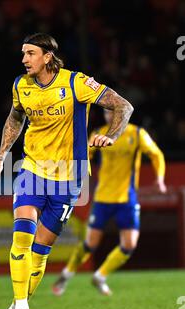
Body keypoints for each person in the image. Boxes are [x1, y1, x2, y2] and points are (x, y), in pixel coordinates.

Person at [0, 33, 134, 309]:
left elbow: (124, 106)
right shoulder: (20, 86)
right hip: (32, 170)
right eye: (23, 53)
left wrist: (112, 136)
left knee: (39, 253)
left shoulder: (75, 83)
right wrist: (0, 158)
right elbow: (15, 119)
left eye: (30, 53)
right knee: (21, 238)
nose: (24, 59)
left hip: (69, 176)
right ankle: (22, 308)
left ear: (47, 57)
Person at [52, 109, 166, 297]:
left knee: (129, 245)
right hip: (103, 197)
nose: (109, 116)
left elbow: (156, 155)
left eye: (112, 112)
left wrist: (159, 178)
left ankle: (100, 276)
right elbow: (84, 156)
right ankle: (66, 274)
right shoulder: (99, 134)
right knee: (90, 244)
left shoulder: (137, 134)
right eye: (106, 112)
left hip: (126, 199)